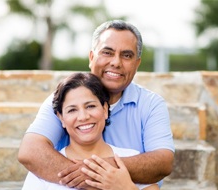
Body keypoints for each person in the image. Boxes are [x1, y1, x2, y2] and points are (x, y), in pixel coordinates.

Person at [18, 20, 175, 189]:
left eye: (127, 55)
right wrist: (95, 181)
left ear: (137, 64)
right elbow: (30, 151)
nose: (116, 62)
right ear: (92, 57)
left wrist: (106, 176)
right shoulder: (64, 98)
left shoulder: (151, 104)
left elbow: (163, 162)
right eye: (107, 52)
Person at [22, 72, 158, 190]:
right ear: (61, 118)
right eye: (72, 110)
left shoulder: (130, 159)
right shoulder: (43, 169)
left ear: (105, 109)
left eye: (90, 106)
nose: (83, 117)